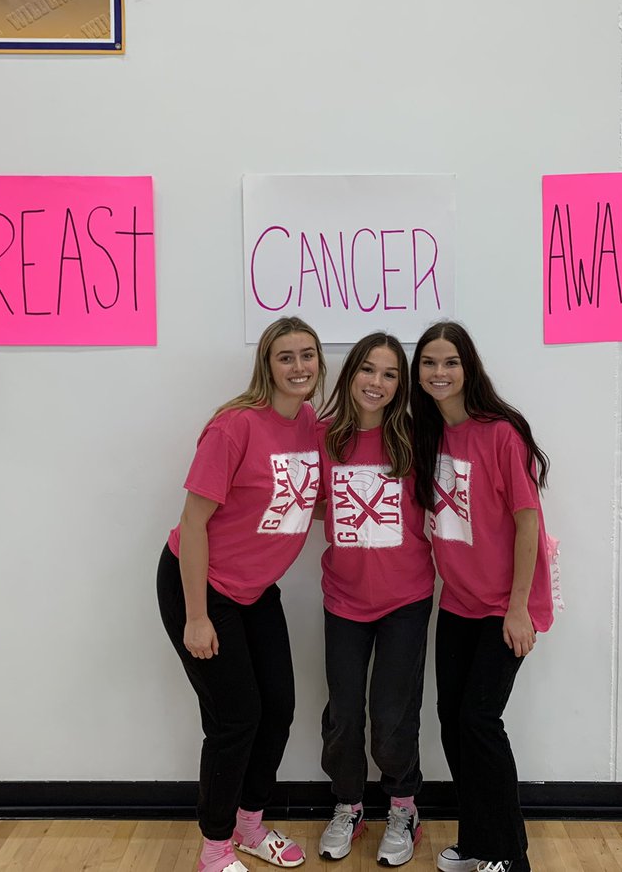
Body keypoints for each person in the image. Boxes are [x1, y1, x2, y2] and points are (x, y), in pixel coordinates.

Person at [156, 316, 326, 872]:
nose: (299, 366)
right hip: (200, 585)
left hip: (256, 592)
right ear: (267, 366)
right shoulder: (234, 427)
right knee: (236, 718)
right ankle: (213, 849)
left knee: (277, 709)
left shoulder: (310, 426)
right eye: (286, 356)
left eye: (308, 355)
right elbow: (194, 520)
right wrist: (198, 616)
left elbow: (312, 499)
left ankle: (250, 825)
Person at [409, 321, 555, 872]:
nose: (439, 373)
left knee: (479, 721)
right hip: (458, 603)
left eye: (450, 362)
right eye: (428, 363)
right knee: (452, 720)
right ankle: (476, 841)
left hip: (504, 606)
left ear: (468, 367)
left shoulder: (500, 433)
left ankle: (508, 854)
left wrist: (518, 607)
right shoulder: (428, 434)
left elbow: (526, 524)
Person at [314, 333, 436, 867]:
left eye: (390, 374)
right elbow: (313, 504)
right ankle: (348, 803)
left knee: (391, 714)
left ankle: (403, 806)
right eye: (368, 369)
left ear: (401, 385)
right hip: (343, 601)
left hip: (406, 600)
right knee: (343, 714)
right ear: (350, 374)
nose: (377, 383)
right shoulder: (325, 438)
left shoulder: (415, 439)